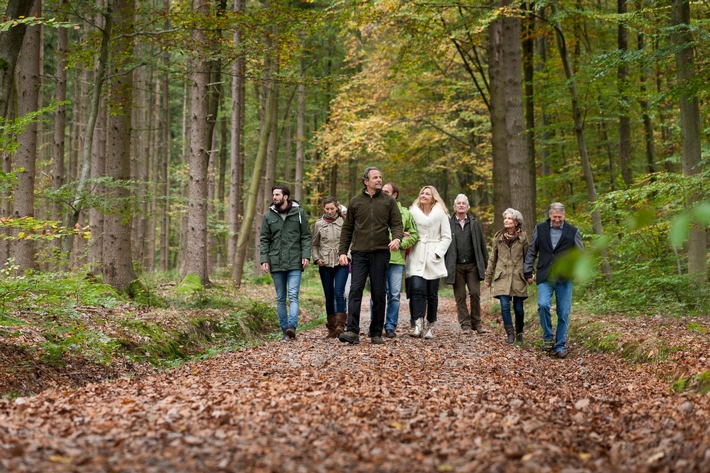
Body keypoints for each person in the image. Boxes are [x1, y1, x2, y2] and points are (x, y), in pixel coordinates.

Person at [338, 167, 404, 345]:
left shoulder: (388, 202)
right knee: (355, 291)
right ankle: (352, 331)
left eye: (380, 177)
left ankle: (376, 332)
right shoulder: (355, 202)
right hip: (359, 253)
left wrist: (397, 239)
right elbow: (347, 229)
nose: (379, 180)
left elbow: (397, 224)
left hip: (381, 253)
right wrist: (343, 252)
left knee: (379, 292)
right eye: (375, 177)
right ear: (366, 181)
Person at [524, 202, 584, 359]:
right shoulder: (540, 229)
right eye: (554, 217)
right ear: (550, 215)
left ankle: (560, 345)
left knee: (563, 312)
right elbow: (532, 251)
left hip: (564, 278)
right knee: (543, 305)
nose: (557, 220)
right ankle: (548, 338)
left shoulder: (573, 232)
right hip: (545, 275)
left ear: (564, 215)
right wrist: (528, 271)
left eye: (559, 217)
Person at [259, 185, 311, 341]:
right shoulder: (269, 216)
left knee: (293, 295)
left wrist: (306, 255)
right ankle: (284, 330)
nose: (274, 197)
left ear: (285, 196)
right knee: (280, 297)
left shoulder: (299, 213)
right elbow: (264, 239)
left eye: (277, 194)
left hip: (295, 261)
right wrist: (264, 260)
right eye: (273, 194)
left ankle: (292, 326)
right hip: (276, 262)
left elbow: (306, 236)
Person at [369, 182, 418, 338]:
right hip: (377, 257)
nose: (383, 193)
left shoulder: (405, 213)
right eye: (382, 191)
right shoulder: (374, 208)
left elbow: (415, 235)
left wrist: (401, 243)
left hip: (396, 260)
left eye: (386, 192)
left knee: (394, 295)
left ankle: (390, 326)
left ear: (394, 195)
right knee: (377, 293)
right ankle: (375, 324)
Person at [406, 185, 452, 339]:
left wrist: (438, 253)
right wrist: (407, 234)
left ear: (433, 197)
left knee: (432, 294)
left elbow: (447, 236)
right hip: (417, 253)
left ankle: (431, 325)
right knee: (417, 289)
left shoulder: (441, 214)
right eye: (422, 193)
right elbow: (409, 229)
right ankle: (418, 325)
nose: (424, 195)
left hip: (433, 254)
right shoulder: (412, 212)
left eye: (427, 194)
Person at [444, 194, 489, 334]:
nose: (461, 205)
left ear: (468, 206)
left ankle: (477, 323)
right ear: (455, 206)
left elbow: (482, 245)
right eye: (459, 203)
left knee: (475, 293)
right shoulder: (448, 223)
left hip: (473, 265)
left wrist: (486, 266)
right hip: (456, 266)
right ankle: (465, 324)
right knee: (460, 296)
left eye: (464, 203)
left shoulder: (474, 223)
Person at [484, 208, 529, 344]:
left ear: (516, 222)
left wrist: (529, 274)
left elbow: (528, 257)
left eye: (509, 218)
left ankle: (519, 333)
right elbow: (493, 258)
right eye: (505, 218)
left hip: (518, 277)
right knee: (504, 306)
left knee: (519, 309)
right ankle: (510, 334)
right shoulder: (498, 237)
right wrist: (488, 277)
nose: (506, 220)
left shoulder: (523, 237)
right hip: (502, 276)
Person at [312, 196, 349, 338]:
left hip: (341, 262)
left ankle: (341, 324)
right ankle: (331, 327)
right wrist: (316, 258)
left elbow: (350, 241)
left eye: (332, 209)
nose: (329, 211)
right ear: (323, 209)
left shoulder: (344, 222)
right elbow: (315, 244)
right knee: (329, 295)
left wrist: (347, 255)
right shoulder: (319, 224)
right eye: (327, 209)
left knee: (339, 292)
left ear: (337, 208)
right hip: (325, 263)